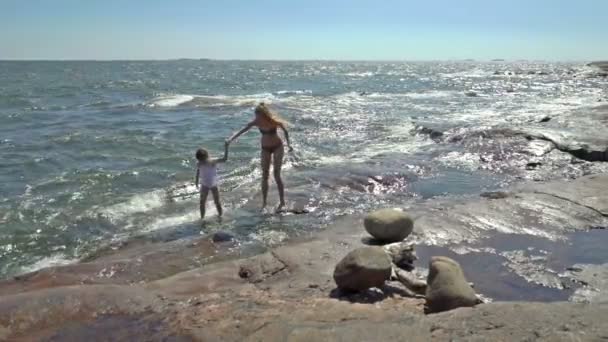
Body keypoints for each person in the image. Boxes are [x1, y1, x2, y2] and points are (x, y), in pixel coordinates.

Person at [227, 103, 293, 212]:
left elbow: (285, 130)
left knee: (277, 174)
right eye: (255, 115)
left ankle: (282, 202)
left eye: (258, 115)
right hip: (265, 149)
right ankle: (264, 203)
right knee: (265, 175)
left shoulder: (273, 121)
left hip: (277, 147)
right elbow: (242, 130)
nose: (256, 117)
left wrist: (289, 144)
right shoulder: (256, 122)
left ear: (263, 114)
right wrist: (231, 139)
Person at [195, 142, 229, 220]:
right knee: (202, 202)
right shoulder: (199, 163)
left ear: (207, 157)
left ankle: (220, 215)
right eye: (200, 160)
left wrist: (226, 147)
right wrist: (196, 182)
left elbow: (225, 159)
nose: (202, 162)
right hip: (204, 185)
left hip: (213, 185)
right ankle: (202, 218)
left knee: (217, 202)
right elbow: (198, 172)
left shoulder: (212, 161)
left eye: (203, 160)